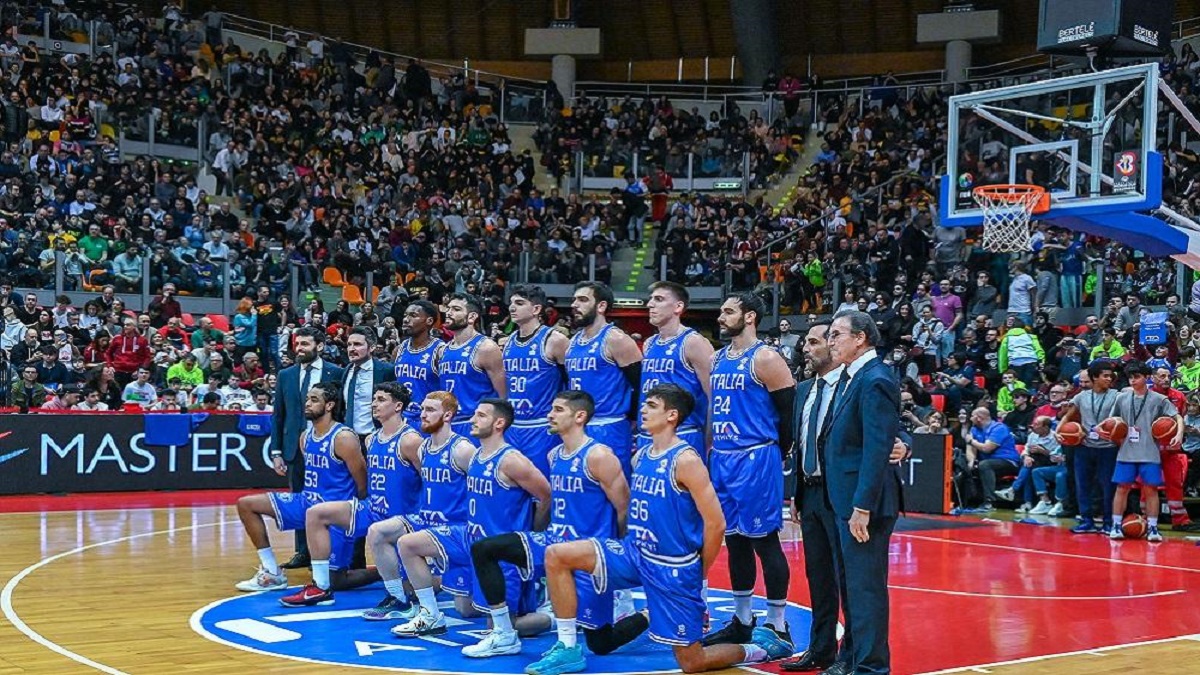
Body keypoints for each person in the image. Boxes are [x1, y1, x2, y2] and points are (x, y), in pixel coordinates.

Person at [525, 385, 792, 675]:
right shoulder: (641, 455)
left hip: (671, 566)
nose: (643, 409)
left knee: (692, 662)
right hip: (633, 552)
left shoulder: (686, 460)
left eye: (652, 405)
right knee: (557, 555)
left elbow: (716, 523)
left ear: (672, 416)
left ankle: (763, 648)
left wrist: (699, 572)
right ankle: (567, 648)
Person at [462, 390, 635, 659]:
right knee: (485, 549)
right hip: (554, 541)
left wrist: (611, 556)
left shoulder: (598, 455)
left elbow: (624, 508)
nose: (549, 414)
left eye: (558, 410)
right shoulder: (555, 455)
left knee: (601, 643)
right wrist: (536, 533)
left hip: (589, 551)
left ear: (579, 416)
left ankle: (651, 613)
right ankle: (505, 634)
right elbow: (549, 501)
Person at [390, 399, 552, 638]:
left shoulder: (512, 460)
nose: (473, 419)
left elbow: (546, 495)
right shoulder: (476, 456)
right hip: (469, 535)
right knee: (408, 544)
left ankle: (559, 617)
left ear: (499, 423)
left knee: (500, 626)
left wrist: (529, 534)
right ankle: (430, 615)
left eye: (481, 415)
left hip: (498, 546)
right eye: (474, 413)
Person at [703, 292, 796, 651]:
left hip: (757, 456)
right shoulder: (717, 358)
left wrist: (780, 449)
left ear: (750, 316)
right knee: (734, 539)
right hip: (723, 457)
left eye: (729, 311)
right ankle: (742, 619)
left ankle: (777, 623)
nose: (722, 317)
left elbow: (787, 412)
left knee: (764, 540)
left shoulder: (767, 359)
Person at [278, 382, 422, 607]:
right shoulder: (371, 438)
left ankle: (409, 590)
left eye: (381, 400)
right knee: (316, 513)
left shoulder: (410, 440)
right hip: (373, 509)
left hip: (401, 516)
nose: (374, 404)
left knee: (430, 587)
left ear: (398, 406)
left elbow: (429, 481)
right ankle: (321, 587)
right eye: (374, 399)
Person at [822, 310, 902, 675]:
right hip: (844, 499)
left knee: (866, 590)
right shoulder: (853, 378)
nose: (830, 340)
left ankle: (871, 668)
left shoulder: (875, 379)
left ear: (862, 338)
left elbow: (876, 447)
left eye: (838, 334)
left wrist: (862, 506)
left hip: (862, 504)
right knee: (853, 588)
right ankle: (855, 660)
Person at [233, 383, 364, 592]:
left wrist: (351, 515)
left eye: (314, 400)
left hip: (334, 512)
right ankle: (272, 572)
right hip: (306, 501)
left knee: (336, 581)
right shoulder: (305, 437)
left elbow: (362, 481)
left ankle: (382, 573)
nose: (307, 403)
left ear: (329, 405)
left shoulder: (343, 437)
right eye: (307, 399)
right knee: (246, 504)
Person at [362, 391, 472, 621]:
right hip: (425, 520)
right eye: (422, 409)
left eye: (430, 410)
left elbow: (483, 491)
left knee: (467, 610)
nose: (423, 414)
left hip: (456, 525)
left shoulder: (462, 450)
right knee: (378, 532)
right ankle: (403, 601)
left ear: (448, 415)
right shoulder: (423, 448)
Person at [270, 327, 346, 569]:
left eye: (305, 344)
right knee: (300, 500)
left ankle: (330, 552)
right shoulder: (286, 374)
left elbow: (341, 411)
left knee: (329, 499)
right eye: (297, 344)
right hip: (294, 447)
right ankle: (302, 552)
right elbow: (279, 415)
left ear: (320, 346)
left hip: (327, 447)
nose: (299, 348)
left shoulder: (336, 372)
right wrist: (276, 451)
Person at [565, 281, 643, 472]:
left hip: (608, 425)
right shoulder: (574, 341)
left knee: (613, 488)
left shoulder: (616, 339)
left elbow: (640, 384)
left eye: (583, 300)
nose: (574, 305)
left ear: (601, 306)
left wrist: (631, 418)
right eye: (574, 300)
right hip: (577, 425)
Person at [1108, 361, 1179, 543]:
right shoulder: (1121, 398)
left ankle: (1153, 528)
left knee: (1150, 490)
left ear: (1147, 377)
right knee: (1122, 488)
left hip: (1149, 451)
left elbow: (1176, 417)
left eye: (1137, 377)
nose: (1132, 381)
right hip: (1126, 451)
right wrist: (1106, 432)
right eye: (1130, 377)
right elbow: (1111, 422)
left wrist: (1178, 434)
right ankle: (1116, 525)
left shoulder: (1159, 399)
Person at [638, 281, 713, 453]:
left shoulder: (693, 342)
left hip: (682, 433)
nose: (650, 304)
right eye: (651, 299)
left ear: (678, 307)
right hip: (649, 433)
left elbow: (714, 398)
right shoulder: (649, 343)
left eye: (659, 299)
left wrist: (709, 442)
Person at [502, 284, 569, 476]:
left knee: (542, 488)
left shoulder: (554, 340)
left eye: (520, 303)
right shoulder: (508, 342)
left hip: (542, 426)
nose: (512, 307)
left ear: (536, 309)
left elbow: (571, 383)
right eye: (511, 303)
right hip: (513, 427)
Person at [1060, 360, 1121, 534]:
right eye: (1105, 376)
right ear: (1094, 377)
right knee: (1083, 485)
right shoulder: (1081, 396)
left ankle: (1108, 522)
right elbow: (1067, 417)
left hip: (1108, 447)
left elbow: (1119, 419)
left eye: (1111, 376)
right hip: (1085, 447)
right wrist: (1058, 430)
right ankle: (1086, 520)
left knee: (1108, 486)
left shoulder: (1117, 395)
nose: (1109, 379)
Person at [437, 293, 505, 445]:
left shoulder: (486, 348)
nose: (448, 313)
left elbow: (503, 395)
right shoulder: (443, 350)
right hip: (448, 424)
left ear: (471, 316)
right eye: (448, 308)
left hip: (475, 424)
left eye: (455, 309)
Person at [393, 300, 443, 431]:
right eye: (405, 315)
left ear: (429, 321)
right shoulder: (398, 350)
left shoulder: (440, 350)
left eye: (413, 316)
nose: (406, 320)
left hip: (428, 421)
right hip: (401, 420)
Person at [341, 327, 397, 441]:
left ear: (371, 347)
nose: (351, 349)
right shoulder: (346, 371)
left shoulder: (386, 371)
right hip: (346, 438)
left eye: (357, 344)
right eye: (349, 344)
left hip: (374, 437)